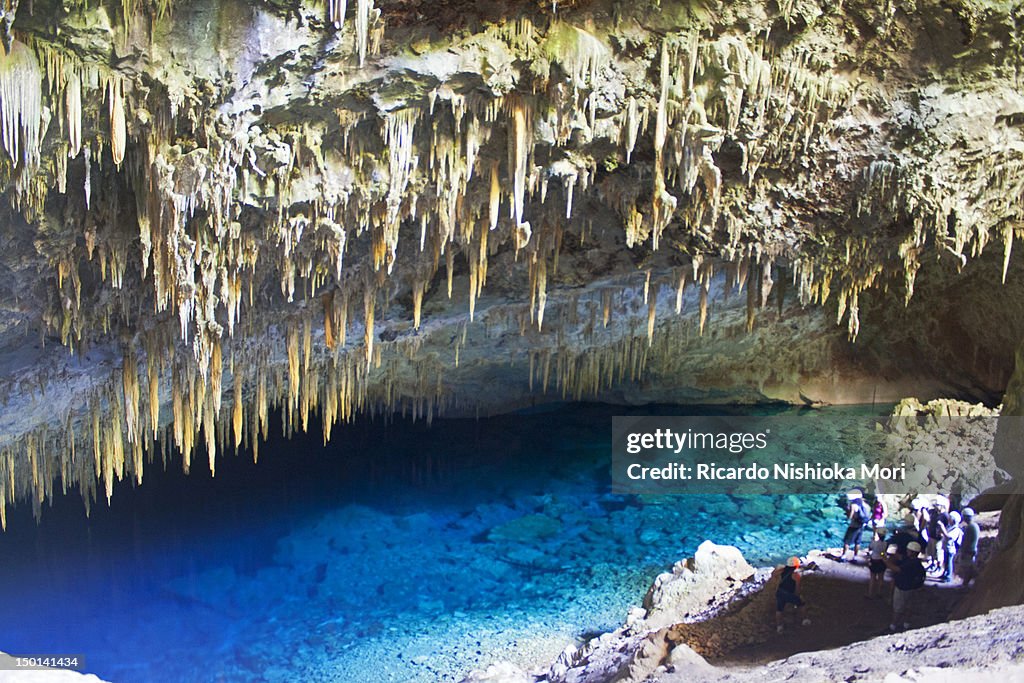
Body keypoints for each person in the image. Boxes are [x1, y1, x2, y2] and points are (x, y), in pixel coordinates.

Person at [886, 540, 926, 632]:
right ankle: (906, 624)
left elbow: (896, 569)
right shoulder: (916, 562)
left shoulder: (910, 564)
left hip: (903, 588)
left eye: (908, 550)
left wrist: (885, 560)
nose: (907, 551)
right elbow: (901, 557)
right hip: (913, 588)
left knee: (898, 607)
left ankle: (893, 626)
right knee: (909, 606)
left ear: (912, 552)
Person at [774, 556, 811, 633]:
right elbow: (797, 587)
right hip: (788, 593)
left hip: (780, 592)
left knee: (779, 609)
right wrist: (797, 596)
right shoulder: (796, 575)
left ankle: (779, 627)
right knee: (801, 604)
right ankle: (805, 620)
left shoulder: (783, 571)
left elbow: (775, 573)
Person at [841, 490, 871, 562]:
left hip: (854, 526)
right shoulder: (866, 505)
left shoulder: (853, 505)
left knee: (847, 541)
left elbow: (850, 517)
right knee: (858, 542)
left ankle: (844, 556)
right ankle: (855, 557)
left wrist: (847, 513)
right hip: (861, 526)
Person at [956, 507, 981, 589]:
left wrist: (962, 551)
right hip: (972, 550)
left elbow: (966, 541)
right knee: (970, 567)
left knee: (967, 568)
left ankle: (965, 584)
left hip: (968, 551)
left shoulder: (970, 527)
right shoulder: (975, 526)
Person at [940, 510, 963, 583]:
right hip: (946, 547)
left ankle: (948, 576)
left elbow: (949, 536)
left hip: (950, 549)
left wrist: (942, 527)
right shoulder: (950, 527)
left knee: (949, 563)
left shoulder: (956, 530)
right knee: (945, 562)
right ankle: (945, 573)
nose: (948, 519)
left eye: (950, 518)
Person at [867, 526, 888, 598]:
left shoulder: (874, 543)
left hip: (874, 560)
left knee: (873, 578)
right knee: (881, 577)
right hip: (882, 561)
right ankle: (879, 592)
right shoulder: (885, 543)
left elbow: (870, 548)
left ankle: (870, 593)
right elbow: (883, 552)